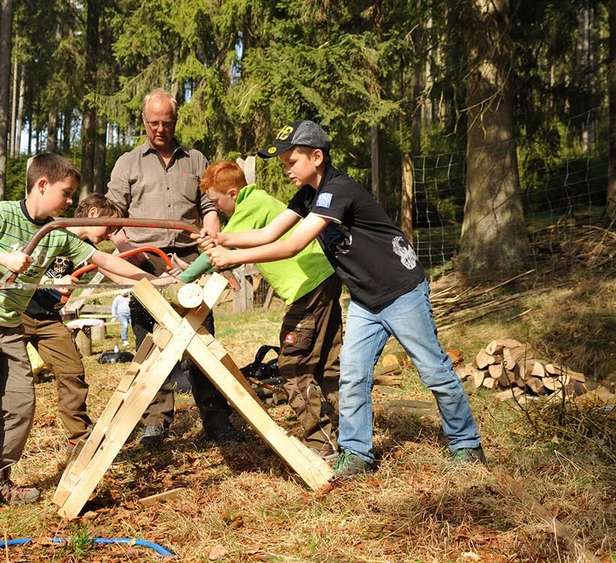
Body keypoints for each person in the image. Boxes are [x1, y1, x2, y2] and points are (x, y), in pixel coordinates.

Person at [202, 120, 484, 479]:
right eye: (284, 163)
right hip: (365, 299)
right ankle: (357, 454)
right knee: (352, 375)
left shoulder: (337, 190)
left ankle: (467, 444)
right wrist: (223, 240)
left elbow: (293, 244)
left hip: (401, 291)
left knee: (433, 370)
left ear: (317, 157)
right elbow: (270, 232)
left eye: (292, 162)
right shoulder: (308, 194)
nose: (287, 169)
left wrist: (234, 257)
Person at [0, 153, 171, 522]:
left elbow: (104, 261)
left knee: (20, 405)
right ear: (42, 185)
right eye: (66, 193)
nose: (69, 201)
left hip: (10, 326)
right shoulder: (2, 213)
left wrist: (154, 279)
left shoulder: (57, 234)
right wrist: (3, 259)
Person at [106, 88, 243, 447]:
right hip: (145, 262)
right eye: (154, 123)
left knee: (202, 341)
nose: (160, 129)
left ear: (175, 121)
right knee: (149, 345)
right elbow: (111, 216)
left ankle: (217, 421)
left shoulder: (195, 160)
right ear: (143, 121)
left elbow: (208, 206)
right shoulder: (128, 163)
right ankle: (154, 422)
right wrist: (127, 251)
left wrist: (211, 235)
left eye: (166, 123)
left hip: (189, 260)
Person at [177, 161, 343, 459]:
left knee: (292, 366)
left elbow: (218, 252)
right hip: (323, 279)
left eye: (216, 201)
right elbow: (226, 251)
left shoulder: (249, 206)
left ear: (232, 193)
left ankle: (322, 442)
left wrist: (183, 278)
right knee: (327, 365)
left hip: (307, 289)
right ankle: (355, 432)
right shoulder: (259, 200)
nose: (217, 209)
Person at [0, 193, 125, 458]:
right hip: (19, 314)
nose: (110, 234)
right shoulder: (52, 232)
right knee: (0, 381)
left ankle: (79, 439)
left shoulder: (84, 250)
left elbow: (114, 270)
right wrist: (52, 282)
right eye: (109, 226)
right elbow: (22, 269)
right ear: (93, 214)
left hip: (49, 319)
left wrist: (151, 281)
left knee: (72, 372)